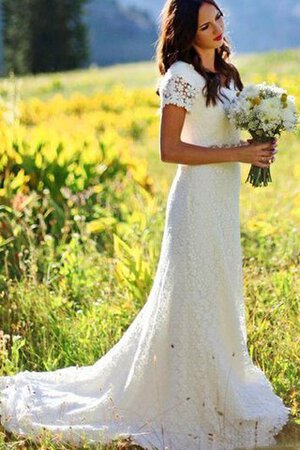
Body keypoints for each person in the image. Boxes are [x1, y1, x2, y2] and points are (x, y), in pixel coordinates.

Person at [0, 1, 291, 449]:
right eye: (204, 25)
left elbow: (223, 134)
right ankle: (180, 399)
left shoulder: (228, 75)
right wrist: (237, 154)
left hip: (223, 204)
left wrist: (255, 145)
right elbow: (170, 150)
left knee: (218, 289)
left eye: (218, 20)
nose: (216, 30)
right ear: (186, 33)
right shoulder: (180, 77)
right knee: (190, 295)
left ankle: (218, 386)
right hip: (195, 204)